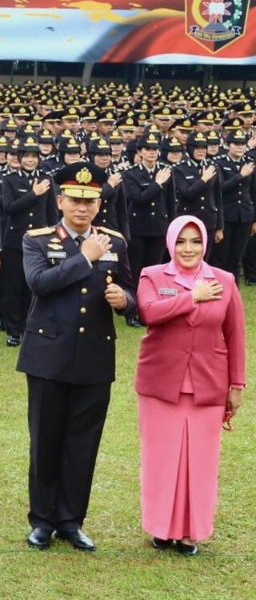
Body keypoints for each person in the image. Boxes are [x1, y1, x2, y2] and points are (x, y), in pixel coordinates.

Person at [18, 161, 138, 552]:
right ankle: (42, 520)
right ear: (60, 201)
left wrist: (125, 301)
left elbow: (131, 291)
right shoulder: (37, 240)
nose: (82, 208)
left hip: (93, 357)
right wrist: (84, 258)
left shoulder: (114, 241)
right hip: (48, 356)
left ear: (99, 204)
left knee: (83, 443)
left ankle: (71, 520)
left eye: (89, 201)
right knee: (45, 440)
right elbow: (39, 283)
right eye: (74, 200)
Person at [135, 214, 245, 555]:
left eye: (195, 241)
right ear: (170, 243)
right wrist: (193, 296)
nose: (188, 248)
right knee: (162, 459)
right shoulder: (152, 276)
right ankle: (161, 528)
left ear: (206, 244)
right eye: (181, 241)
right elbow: (150, 313)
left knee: (200, 462)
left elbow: (235, 335)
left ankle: (190, 533)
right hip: (160, 384)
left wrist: (237, 383)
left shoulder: (225, 281)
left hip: (208, 384)